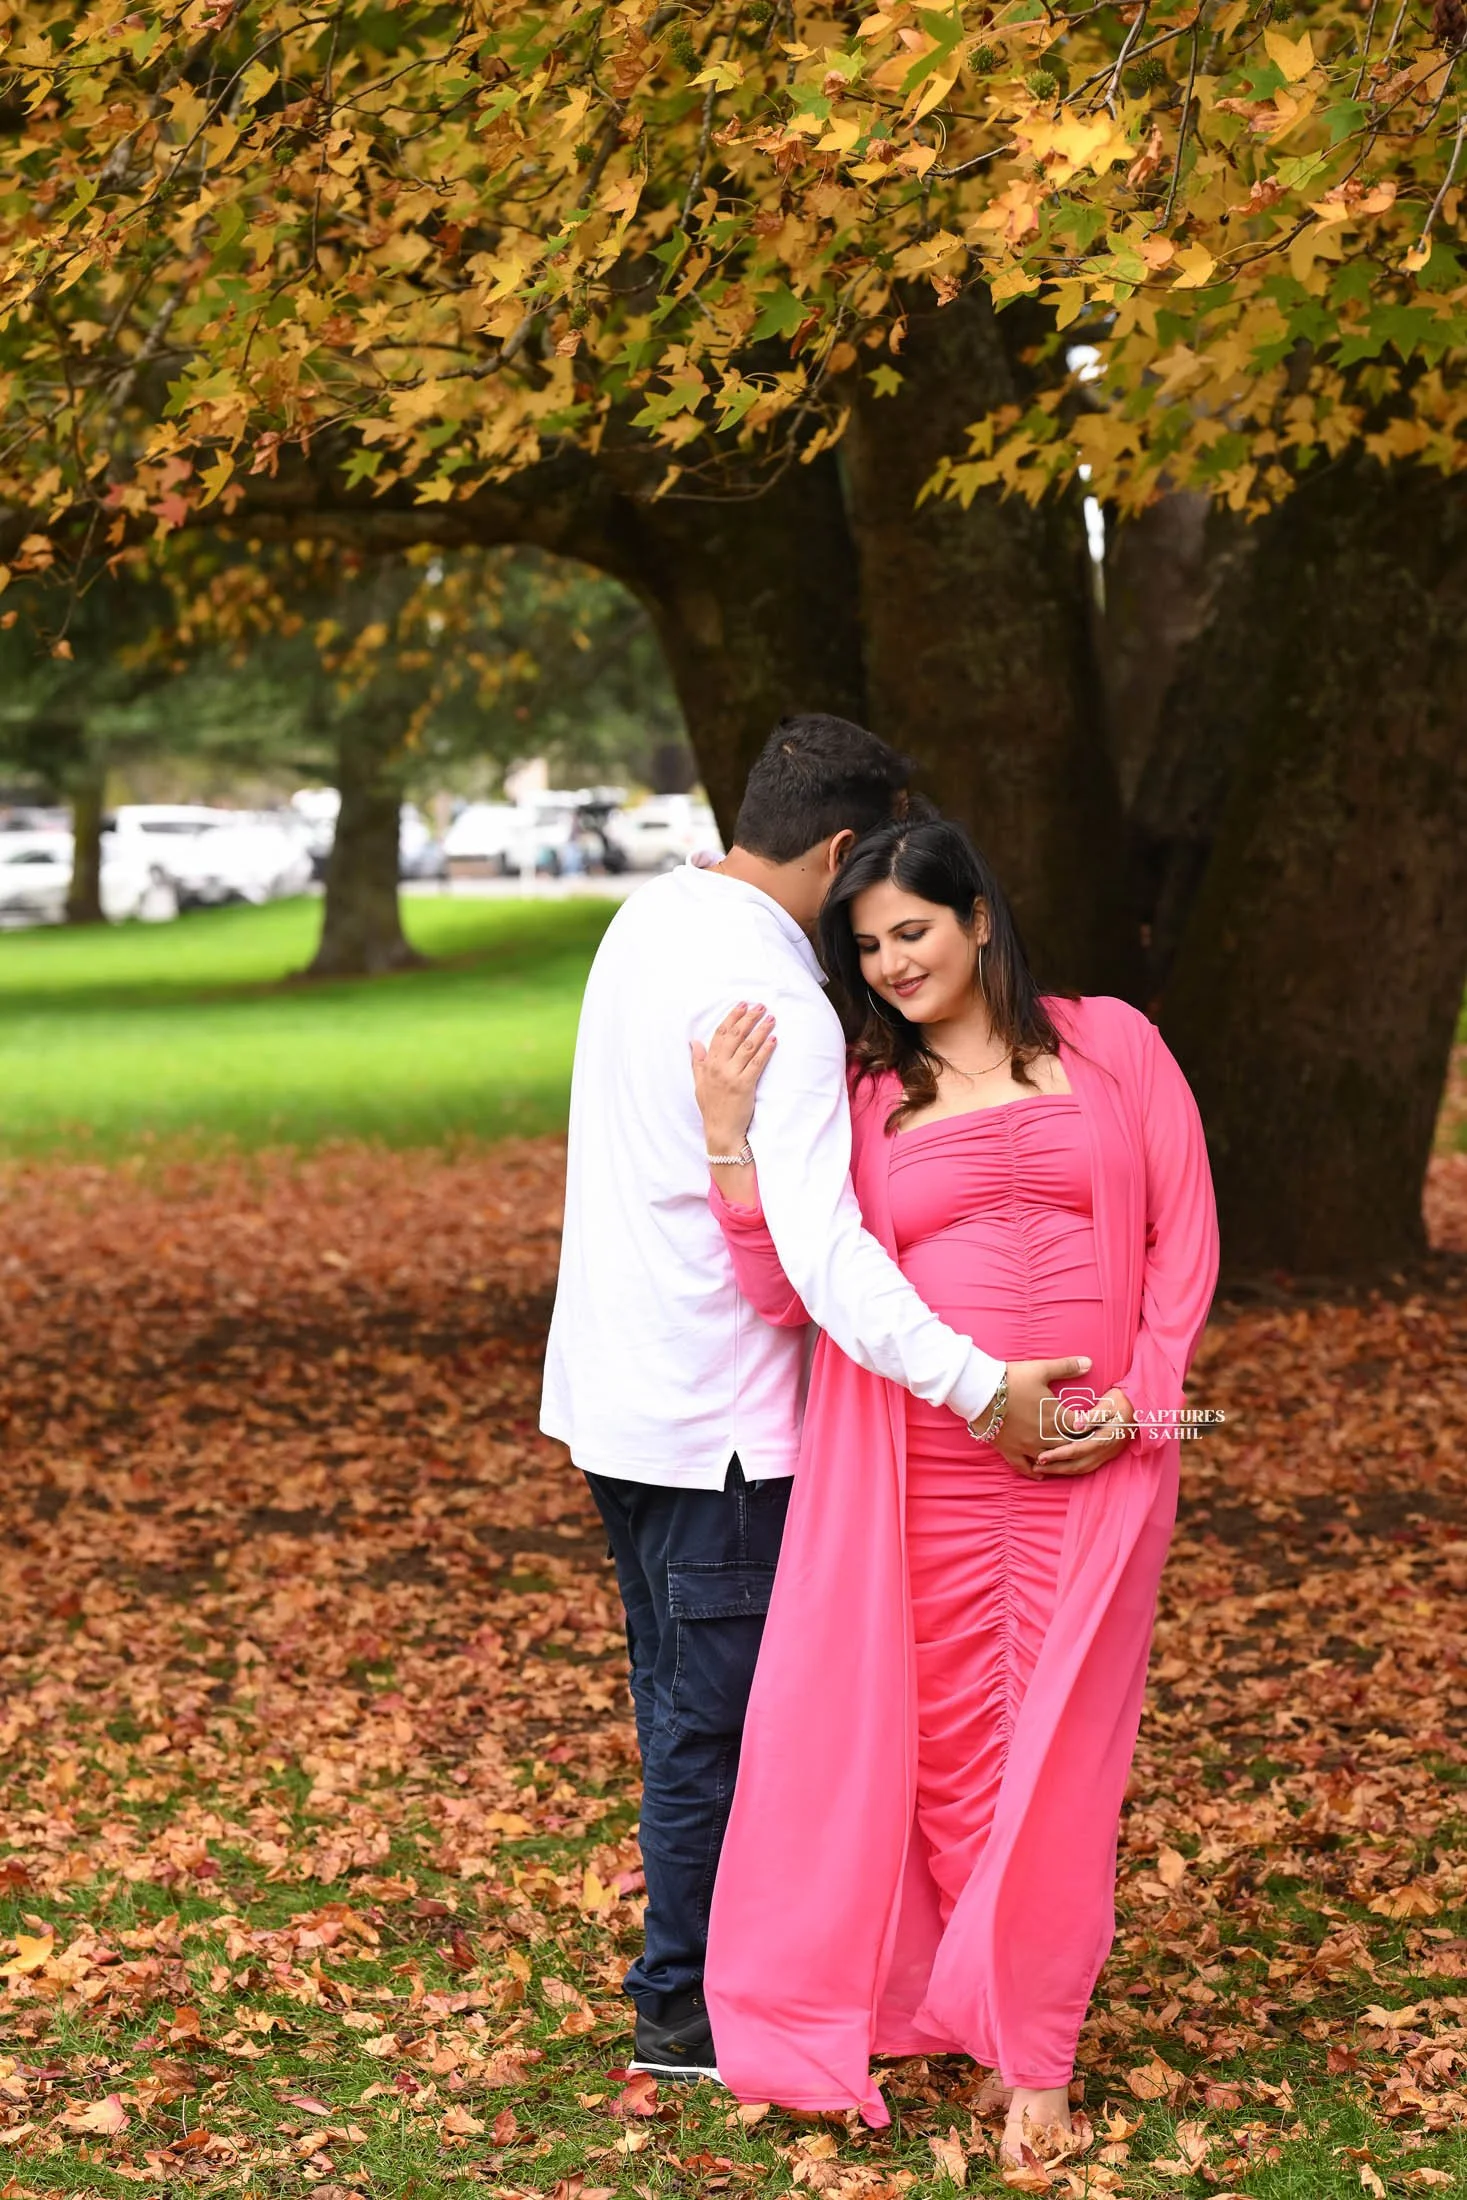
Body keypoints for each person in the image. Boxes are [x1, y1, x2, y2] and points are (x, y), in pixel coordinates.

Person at [540, 719, 1095, 2081]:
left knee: (680, 1703)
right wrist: (976, 1386)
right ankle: (688, 2009)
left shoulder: (650, 918)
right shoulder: (769, 997)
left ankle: (701, 1984)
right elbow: (820, 1251)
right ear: (845, 849)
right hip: (720, 1415)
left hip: (617, 1393)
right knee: (717, 1732)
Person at [692, 817, 1220, 2159]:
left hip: (1096, 1463)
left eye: (910, 932)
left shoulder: (1113, 1046)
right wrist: (728, 1144)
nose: (888, 965)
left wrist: (1142, 1412)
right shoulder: (865, 1100)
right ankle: (971, 2015)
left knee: (1064, 1760)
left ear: (977, 917)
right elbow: (787, 1289)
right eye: (864, 947)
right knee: (950, 1762)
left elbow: (1181, 1245)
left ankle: (1034, 2055)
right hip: (931, 1467)